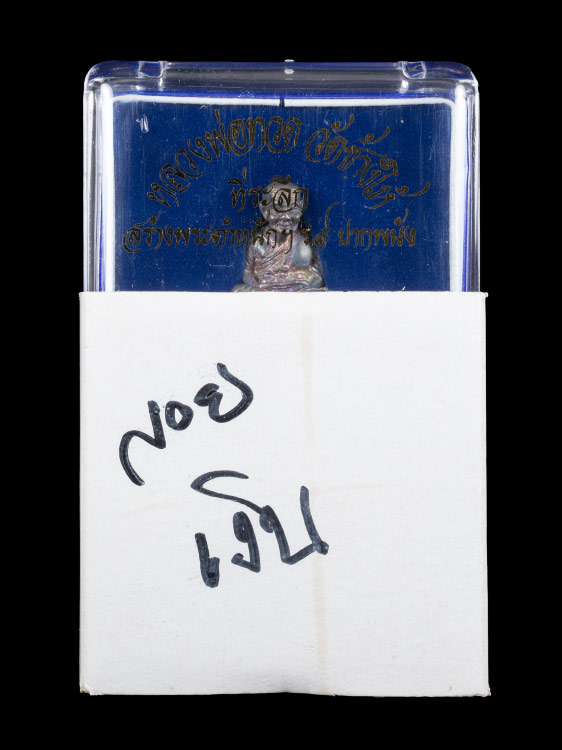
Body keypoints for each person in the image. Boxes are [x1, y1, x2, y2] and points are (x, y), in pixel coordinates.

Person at [233, 179, 327, 292]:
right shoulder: (258, 243)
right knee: (239, 290)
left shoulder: (305, 243)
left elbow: (317, 277)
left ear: (301, 207)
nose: (286, 217)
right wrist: (262, 287)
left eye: (293, 210)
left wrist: (301, 283)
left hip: (300, 290)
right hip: (265, 291)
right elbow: (248, 274)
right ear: (264, 211)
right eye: (277, 210)